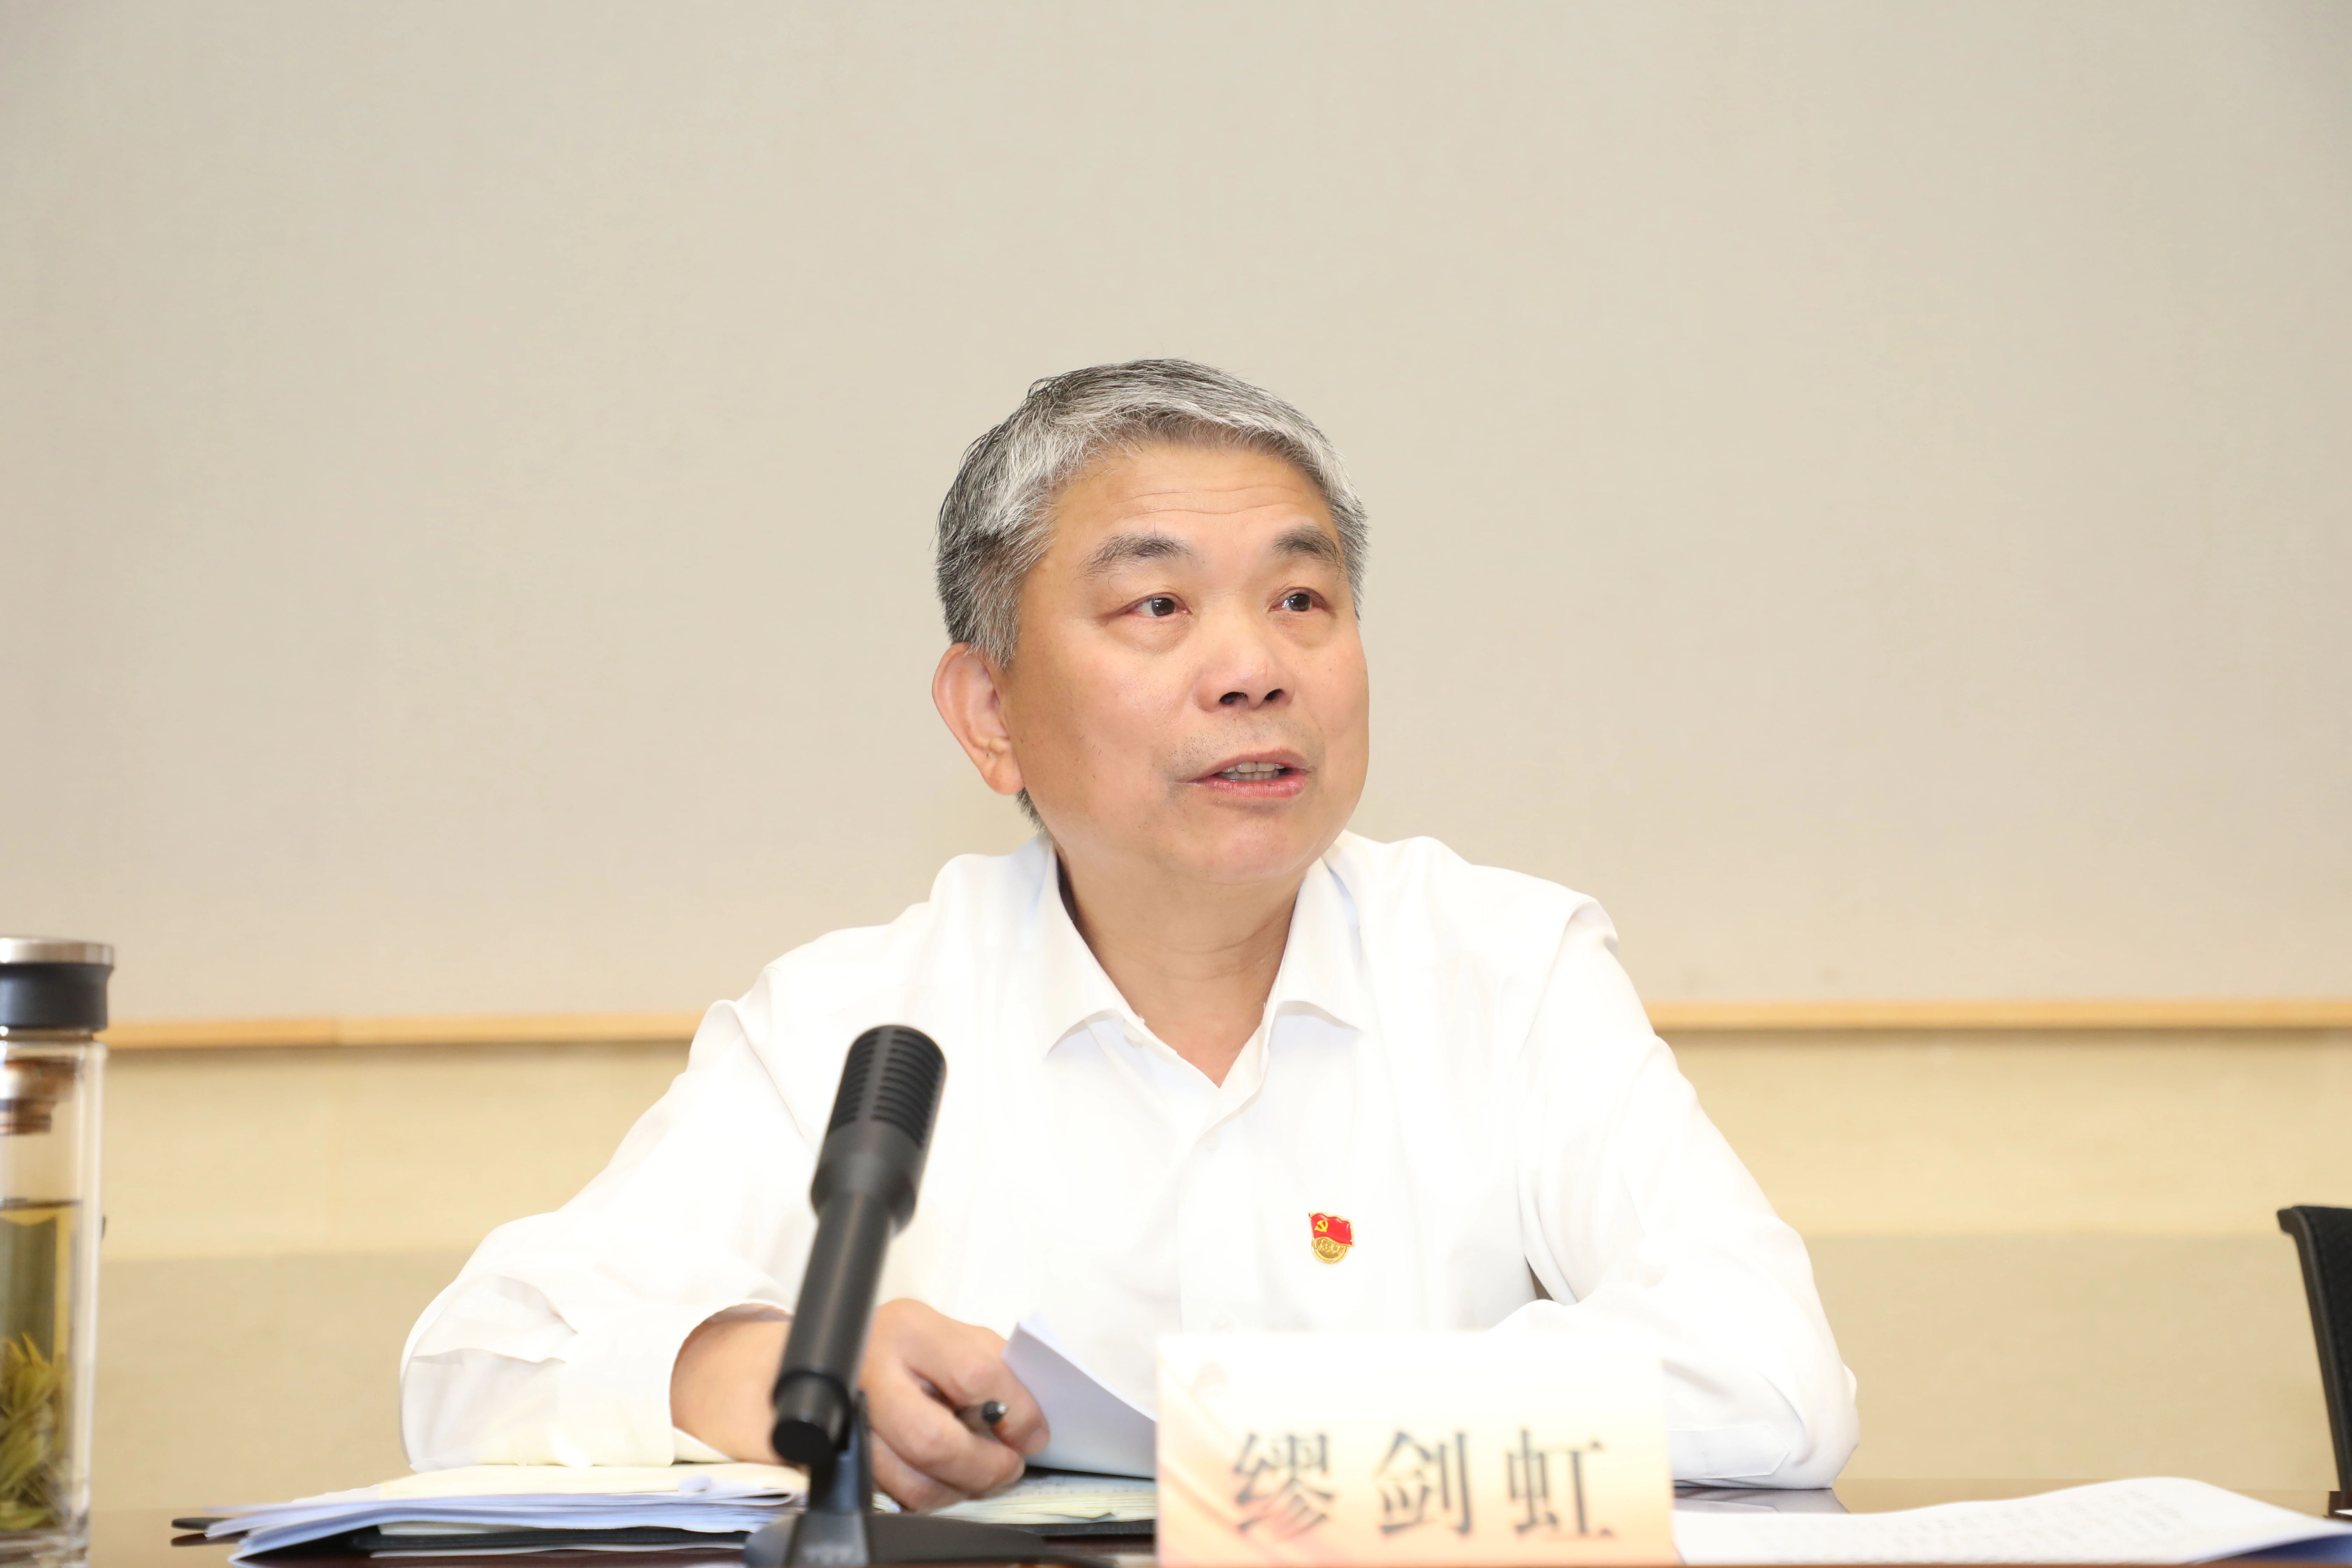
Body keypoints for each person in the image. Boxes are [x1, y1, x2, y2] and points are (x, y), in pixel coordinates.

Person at [399, 359, 1859, 1506]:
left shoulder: (1506, 969)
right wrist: (780, 1368)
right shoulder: (859, 1021)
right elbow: (476, 1362)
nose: (1254, 668)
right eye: (1158, 605)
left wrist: (1251, 1428)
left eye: (1303, 599)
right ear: (989, 713)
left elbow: (1775, 1375)